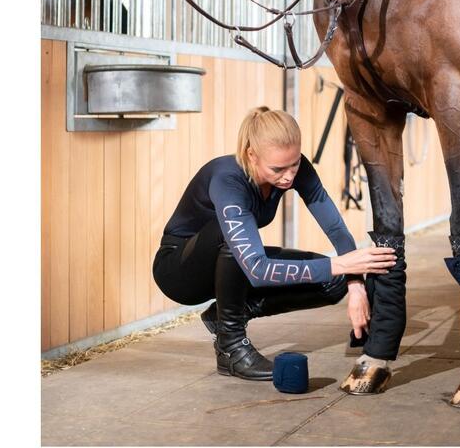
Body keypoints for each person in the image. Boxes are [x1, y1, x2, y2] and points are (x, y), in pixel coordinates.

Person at [152, 106, 397, 381]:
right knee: (230, 234)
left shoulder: (295, 168)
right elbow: (257, 270)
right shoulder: (227, 179)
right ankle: (230, 346)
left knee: (333, 281)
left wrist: (355, 283)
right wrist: (340, 263)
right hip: (180, 270)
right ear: (251, 155)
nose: (289, 175)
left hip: (232, 261)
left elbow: (335, 227)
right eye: (278, 168)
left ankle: (224, 315)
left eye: (293, 164)